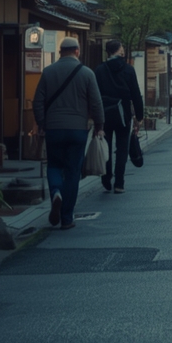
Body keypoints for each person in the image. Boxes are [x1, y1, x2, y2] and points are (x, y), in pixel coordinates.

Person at [31, 36, 105, 229]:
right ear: (77, 51)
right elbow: (96, 103)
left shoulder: (48, 72)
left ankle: (56, 192)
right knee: (73, 171)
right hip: (77, 130)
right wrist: (99, 125)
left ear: (61, 52)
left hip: (54, 128)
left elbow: (38, 102)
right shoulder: (87, 73)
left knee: (54, 165)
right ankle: (67, 218)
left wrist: (42, 123)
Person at [94, 39, 145, 194]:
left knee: (106, 146)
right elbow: (135, 93)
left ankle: (106, 176)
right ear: (119, 50)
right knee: (122, 148)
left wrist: (94, 116)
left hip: (105, 113)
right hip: (123, 113)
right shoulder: (128, 69)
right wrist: (139, 116)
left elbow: (95, 95)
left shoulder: (100, 70)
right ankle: (119, 183)